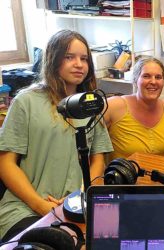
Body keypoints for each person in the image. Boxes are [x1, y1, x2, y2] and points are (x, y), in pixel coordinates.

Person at [0, 30, 113, 241]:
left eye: (84, 59)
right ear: (53, 59)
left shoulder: (91, 105)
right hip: (25, 208)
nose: (79, 64)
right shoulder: (26, 102)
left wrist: (82, 196)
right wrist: (40, 204)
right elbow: (6, 163)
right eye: (69, 57)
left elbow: (98, 158)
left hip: (77, 206)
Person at [104, 56, 164, 161]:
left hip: (163, 174)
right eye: (146, 76)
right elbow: (91, 143)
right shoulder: (114, 106)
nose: (153, 82)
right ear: (135, 80)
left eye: (158, 77)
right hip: (126, 176)